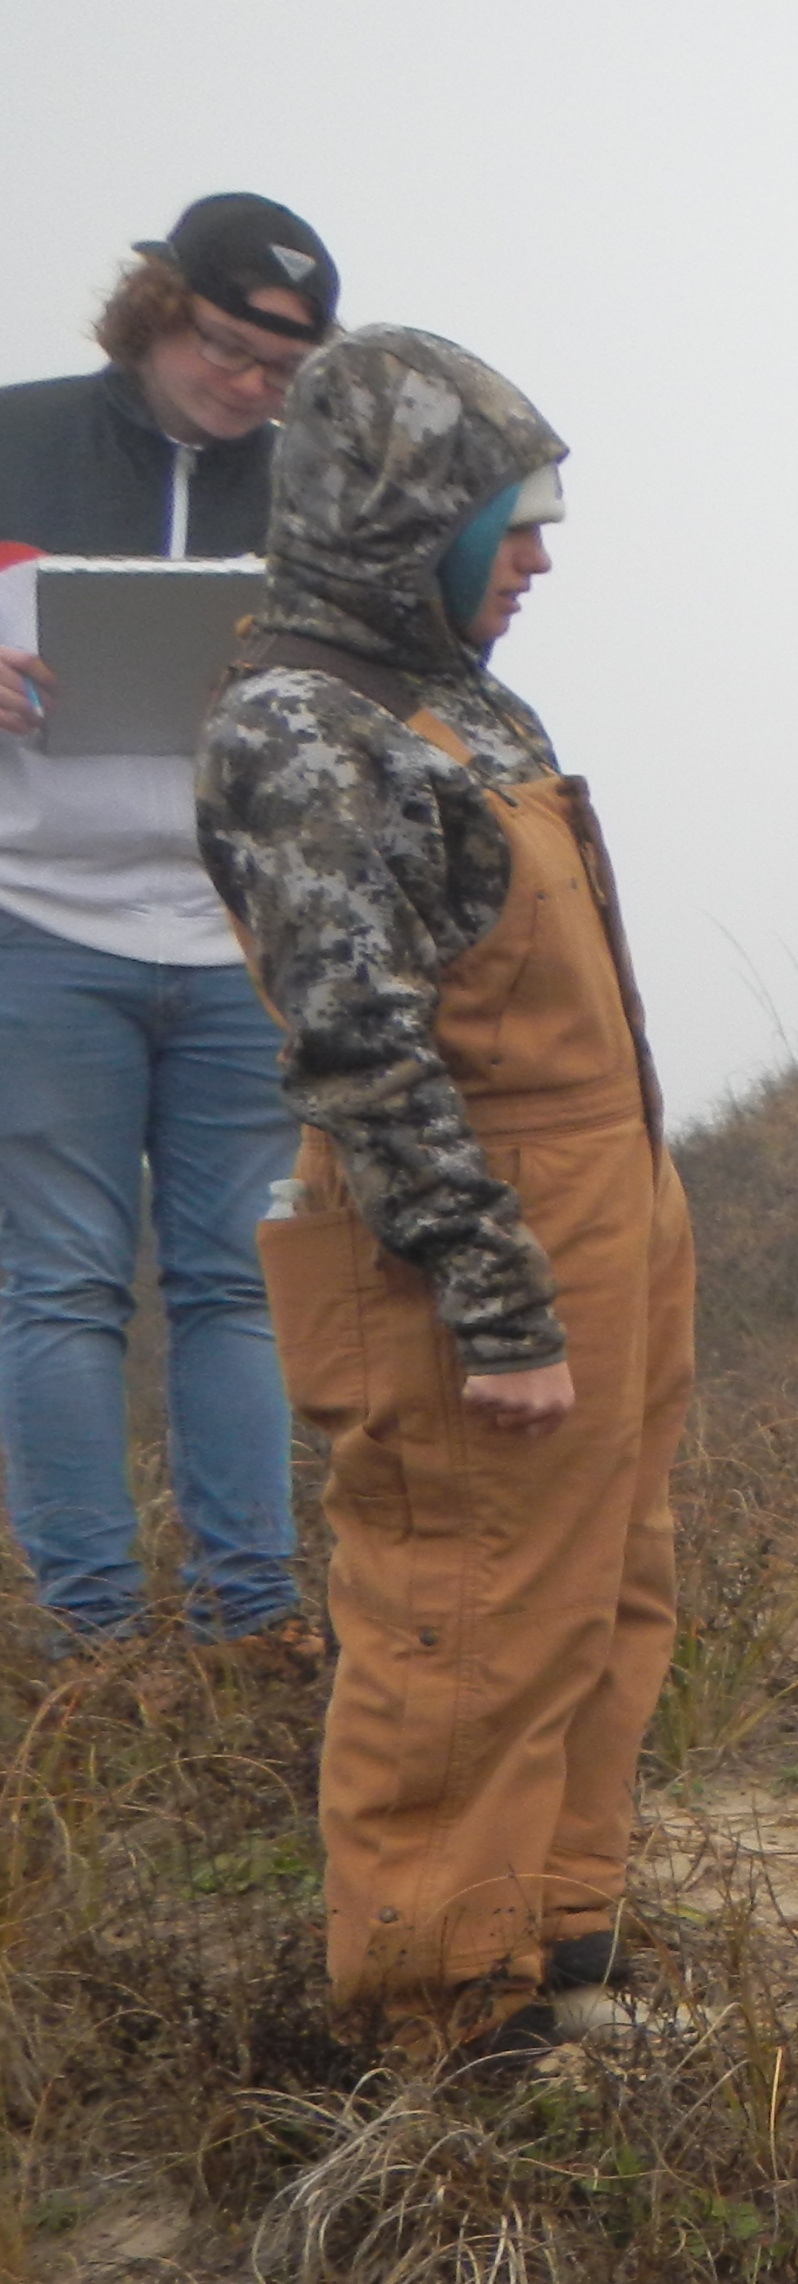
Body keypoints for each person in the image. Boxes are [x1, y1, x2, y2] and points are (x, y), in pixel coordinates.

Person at [197, 326, 691, 2072]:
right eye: (515, 519)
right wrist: (496, 1295)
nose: (542, 556)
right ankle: (435, 2027)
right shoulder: (295, 730)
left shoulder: (464, 702)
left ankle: (555, 1948)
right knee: (466, 1610)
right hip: (474, 1240)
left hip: (605, 1198)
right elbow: (360, 1046)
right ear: (406, 519)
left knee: (601, 1588)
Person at [0, 196, 337, 1655]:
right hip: (39, 920)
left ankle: (246, 1623)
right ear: (156, 305)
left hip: (236, 936)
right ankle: (91, 1640)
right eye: (226, 344)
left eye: (283, 366)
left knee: (238, 1287)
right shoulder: (16, 434)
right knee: (63, 1285)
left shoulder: (314, 491)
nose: (250, 385)